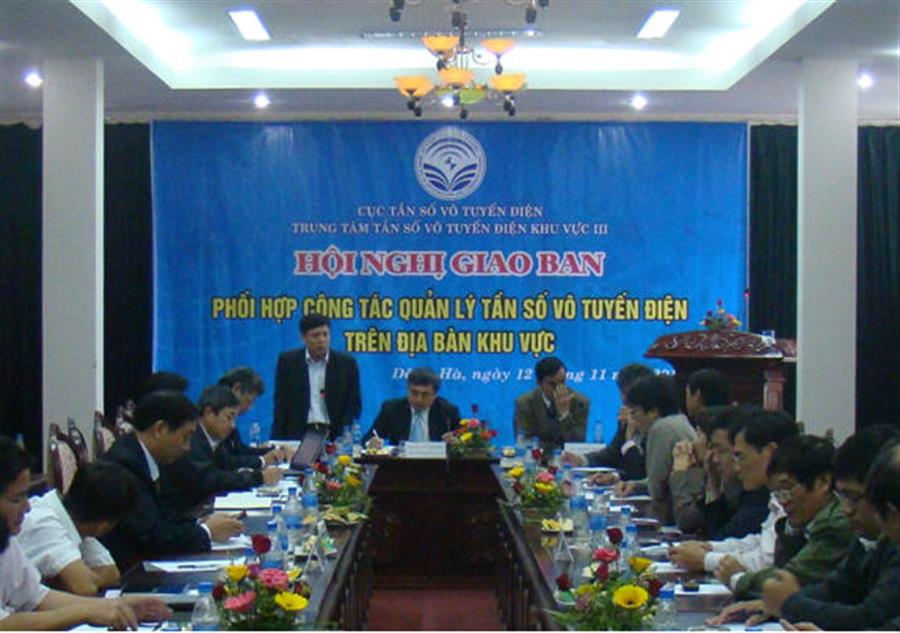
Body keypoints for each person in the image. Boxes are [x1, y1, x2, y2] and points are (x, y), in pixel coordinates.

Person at [0, 436, 171, 629]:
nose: (27, 507)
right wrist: (86, 612)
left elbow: (36, 598)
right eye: (16, 499)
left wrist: (113, 605)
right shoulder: (39, 522)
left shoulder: (6, 540)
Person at [760, 426, 900, 629]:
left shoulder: (891, 544)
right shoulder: (872, 540)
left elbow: (868, 618)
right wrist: (781, 604)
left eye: (854, 497)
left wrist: (788, 604)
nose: (846, 509)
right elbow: (838, 588)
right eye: (842, 496)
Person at [99, 390, 244, 568]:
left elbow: (162, 515)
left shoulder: (143, 454)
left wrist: (200, 522)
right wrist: (206, 532)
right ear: (160, 429)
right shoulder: (126, 466)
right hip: (129, 569)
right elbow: (151, 538)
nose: (187, 447)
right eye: (185, 437)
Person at [714, 434, 854, 606]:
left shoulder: (835, 524)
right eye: (777, 492)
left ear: (823, 482)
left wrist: (737, 578)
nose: (783, 501)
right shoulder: (810, 518)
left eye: (787, 488)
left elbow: (789, 578)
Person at [670, 408, 799, 574]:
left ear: (770, 452)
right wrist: (710, 547)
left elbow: (768, 560)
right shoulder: (773, 495)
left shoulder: (792, 495)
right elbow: (759, 543)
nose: (737, 468)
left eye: (740, 457)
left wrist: (705, 559)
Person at [159, 385, 283, 517]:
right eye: (229, 417)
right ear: (209, 413)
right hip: (185, 513)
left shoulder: (213, 438)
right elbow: (211, 479)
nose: (233, 425)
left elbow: (228, 464)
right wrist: (258, 477)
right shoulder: (192, 439)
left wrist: (258, 468)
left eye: (235, 419)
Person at [17, 462, 137, 595]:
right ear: (104, 525)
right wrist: (84, 578)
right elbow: (85, 588)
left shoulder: (75, 521)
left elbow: (112, 573)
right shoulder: (44, 523)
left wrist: (76, 579)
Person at [613, 374, 696, 524]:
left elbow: (656, 489)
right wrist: (636, 485)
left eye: (634, 412)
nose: (633, 420)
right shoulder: (680, 420)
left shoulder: (661, 429)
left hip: (677, 517)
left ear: (652, 411)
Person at [272, 312, 362, 440]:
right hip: (298, 433)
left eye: (325, 334)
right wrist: (277, 440)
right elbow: (281, 404)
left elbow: (354, 404)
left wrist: (344, 433)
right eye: (315, 336)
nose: (322, 340)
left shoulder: (346, 364)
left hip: (334, 434)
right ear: (303, 337)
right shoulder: (288, 362)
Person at [561, 363, 653, 481]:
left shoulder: (657, 425)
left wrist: (630, 438)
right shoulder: (627, 419)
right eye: (622, 393)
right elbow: (612, 454)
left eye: (627, 394)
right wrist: (581, 460)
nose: (623, 399)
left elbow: (641, 473)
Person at [364, 367, 461, 446]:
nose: (419, 399)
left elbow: (462, 442)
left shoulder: (448, 411)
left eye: (425, 395)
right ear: (407, 390)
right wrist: (371, 443)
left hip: (437, 463)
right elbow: (368, 438)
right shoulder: (392, 408)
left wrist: (456, 442)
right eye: (414, 393)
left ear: (435, 395)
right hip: (400, 462)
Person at [514, 356, 589, 452]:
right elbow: (524, 441)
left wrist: (565, 415)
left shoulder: (580, 402)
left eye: (562, 382)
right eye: (552, 384)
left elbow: (577, 444)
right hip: (536, 457)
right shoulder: (524, 403)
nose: (558, 389)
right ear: (539, 382)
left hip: (569, 458)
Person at [218, 367, 289, 467]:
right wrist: (262, 461)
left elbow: (240, 450)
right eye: (249, 401)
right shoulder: (218, 416)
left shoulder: (227, 416)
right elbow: (227, 461)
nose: (250, 408)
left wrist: (274, 451)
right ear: (237, 389)